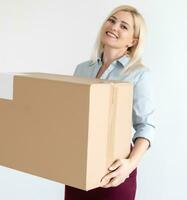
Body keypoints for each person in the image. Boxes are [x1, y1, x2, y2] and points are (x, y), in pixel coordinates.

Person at [64, 5, 155, 200]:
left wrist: (130, 165)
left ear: (133, 41)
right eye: (112, 20)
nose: (114, 27)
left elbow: (146, 126)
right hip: (78, 166)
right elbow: (71, 116)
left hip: (114, 170)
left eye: (124, 26)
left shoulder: (138, 75)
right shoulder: (82, 69)